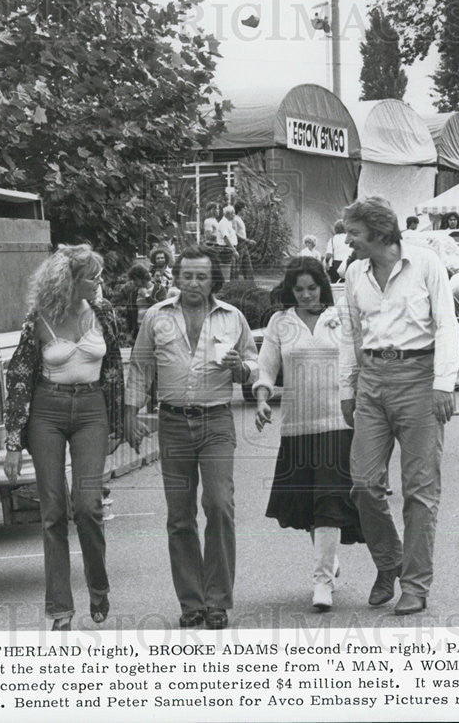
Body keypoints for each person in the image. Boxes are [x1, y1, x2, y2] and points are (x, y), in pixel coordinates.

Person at [123, 245, 257, 630]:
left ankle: (217, 601)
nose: (194, 283)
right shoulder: (156, 316)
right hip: (173, 423)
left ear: (214, 279)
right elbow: (140, 366)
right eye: (187, 276)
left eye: (201, 276)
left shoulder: (233, 318)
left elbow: (253, 363)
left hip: (216, 421)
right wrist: (130, 414)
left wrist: (241, 369)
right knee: (180, 516)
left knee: (219, 504)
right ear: (177, 278)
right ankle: (191, 601)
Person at [338, 198, 459, 616]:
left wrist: (443, 383)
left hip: (419, 378)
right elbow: (351, 331)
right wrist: (348, 387)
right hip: (372, 379)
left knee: (419, 491)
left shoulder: (425, 264)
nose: (348, 240)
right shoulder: (354, 272)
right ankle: (389, 562)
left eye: (353, 232)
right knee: (363, 485)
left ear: (378, 232)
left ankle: (415, 584)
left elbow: (447, 323)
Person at [3, 244, 125, 631]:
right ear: (69, 280)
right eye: (92, 276)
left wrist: (121, 423)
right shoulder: (38, 318)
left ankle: (99, 588)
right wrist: (11, 441)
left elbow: (114, 369)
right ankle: (60, 608)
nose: (99, 282)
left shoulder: (103, 313)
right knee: (53, 510)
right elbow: (19, 376)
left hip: (91, 411)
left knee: (88, 506)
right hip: (47, 413)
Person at [252, 257, 364, 612]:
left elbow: (358, 360)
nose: (305, 295)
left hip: (338, 422)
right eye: (298, 290)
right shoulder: (279, 322)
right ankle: (327, 561)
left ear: (322, 286)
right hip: (298, 426)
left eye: (312, 288)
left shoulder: (340, 317)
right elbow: (267, 364)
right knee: (310, 506)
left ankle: (322, 583)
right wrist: (261, 397)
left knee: (330, 501)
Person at [124, 264, 154, 340]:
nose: (134, 282)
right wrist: (129, 332)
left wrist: (146, 296)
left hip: (153, 330)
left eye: (135, 279)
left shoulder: (159, 289)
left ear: (142, 278)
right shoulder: (134, 291)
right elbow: (129, 311)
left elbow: (161, 308)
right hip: (138, 330)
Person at [231, 200, 257, 281]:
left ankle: (250, 285)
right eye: (244, 208)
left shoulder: (240, 219)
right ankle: (233, 285)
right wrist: (248, 240)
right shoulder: (234, 219)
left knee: (248, 266)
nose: (246, 210)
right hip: (239, 245)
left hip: (243, 245)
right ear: (240, 209)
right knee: (236, 267)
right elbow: (234, 233)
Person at [216, 204, 240, 282]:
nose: (234, 215)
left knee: (232, 271)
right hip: (226, 249)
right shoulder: (223, 223)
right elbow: (225, 238)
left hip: (229, 249)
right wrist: (234, 250)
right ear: (228, 214)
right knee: (228, 272)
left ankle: (230, 288)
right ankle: (226, 288)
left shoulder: (228, 222)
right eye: (233, 213)